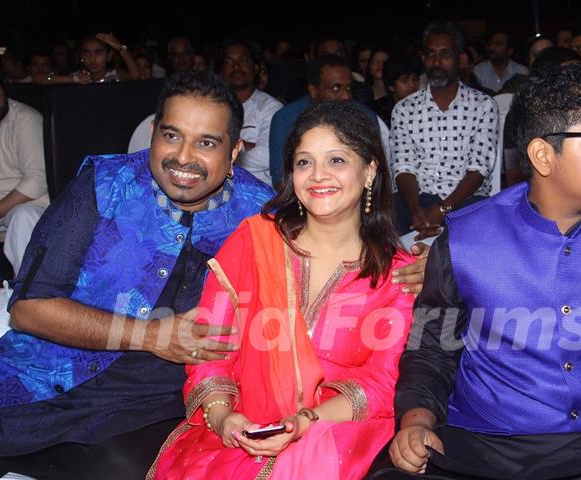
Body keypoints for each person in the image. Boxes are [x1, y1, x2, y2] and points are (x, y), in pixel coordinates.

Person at [371, 63, 581, 480]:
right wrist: (417, 420)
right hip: (482, 447)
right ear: (542, 155)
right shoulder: (466, 239)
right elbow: (431, 347)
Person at [0, 71, 275, 479]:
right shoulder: (105, 185)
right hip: (43, 373)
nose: (183, 157)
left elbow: (333, 272)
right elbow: (30, 310)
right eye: (172, 135)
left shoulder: (261, 215)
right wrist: (151, 335)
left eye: (207, 143)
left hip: (151, 406)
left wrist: (398, 270)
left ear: (234, 153)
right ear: (154, 133)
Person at [150, 101, 416, 479]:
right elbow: (211, 348)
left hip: (336, 435)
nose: (318, 176)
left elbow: (382, 380)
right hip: (240, 429)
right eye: (304, 162)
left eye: (337, 160)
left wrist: (305, 422)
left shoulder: (397, 274)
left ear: (370, 170)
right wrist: (223, 416)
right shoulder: (254, 242)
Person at [391, 20, 498, 238]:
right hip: (418, 198)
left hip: (466, 198)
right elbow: (403, 167)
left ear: (461, 59)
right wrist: (415, 211)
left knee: (483, 221)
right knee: (383, 217)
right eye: (430, 54)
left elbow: (479, 168)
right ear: (423, 59)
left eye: (445, 54)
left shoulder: (483, 105)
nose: (436, 62)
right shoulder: (404, 109)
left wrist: (442, 210)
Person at [268, 55, 391, 189]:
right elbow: (281, 179)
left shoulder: (364, 117)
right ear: (313, 90)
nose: (346, 96)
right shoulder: (286, 119)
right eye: (336, 88)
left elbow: (376, 174)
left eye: (349, 88)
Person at [0, 64, 48, 276]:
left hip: (28, 204)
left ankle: (30, 299)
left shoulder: (25, 118)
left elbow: (36, 181)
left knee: (22, 217)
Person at [219, 38, 283, 186]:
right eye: (229, 62)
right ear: (221, 71)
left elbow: (267, 155)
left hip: (258, 190)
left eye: (244, 60)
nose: (236, 66)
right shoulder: (212, 108)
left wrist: (221, 152)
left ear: (255, 68)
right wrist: (245, 146)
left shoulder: (271, 108)